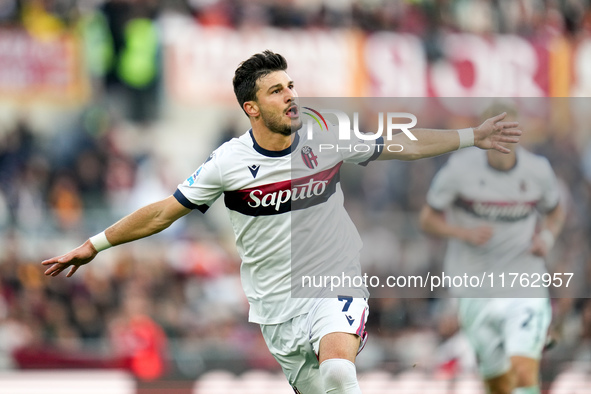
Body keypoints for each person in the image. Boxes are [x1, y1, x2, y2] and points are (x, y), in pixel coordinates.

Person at [42, 51, 521, 393]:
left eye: (291, 85)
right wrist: (95, 244)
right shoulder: (227, 164)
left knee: (338, 372)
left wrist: (470, 136)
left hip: (335, 281)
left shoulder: (326, 133)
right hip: (275, 310)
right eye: (276, 91)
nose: (291, 97)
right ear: (252, 108)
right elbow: (164, 212)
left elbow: (402, 143)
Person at [419, 105, 565, 394]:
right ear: (485, 128)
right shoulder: (460, 169)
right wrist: (462, 232)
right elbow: (427, 219)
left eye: (512, 130)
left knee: (524, 371)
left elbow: (556, 212)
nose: (506, 137)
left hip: (524, 282)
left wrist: (546, 238)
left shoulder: (538, 171)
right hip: (474, 286)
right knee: (497, 382)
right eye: (499, 129)